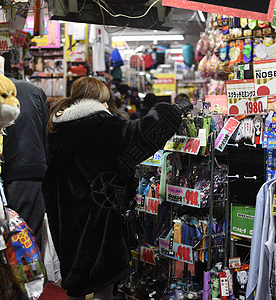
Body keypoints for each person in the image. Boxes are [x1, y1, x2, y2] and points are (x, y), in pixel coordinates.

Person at [42, 77, 192, 300]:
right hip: (100, 215)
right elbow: (139, 134)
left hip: (66, 215)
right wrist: (171, 110)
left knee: (76, 278)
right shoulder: (102, 125)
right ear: (100, 99)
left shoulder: (56, 127)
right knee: (104, 278)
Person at [2, 74, 48, 247]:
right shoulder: (34, 90)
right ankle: (29, 272)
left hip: (3, 168)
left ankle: (7, 273)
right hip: (32, 168)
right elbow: (46, 130)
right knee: (27, 231)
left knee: (3, 231)